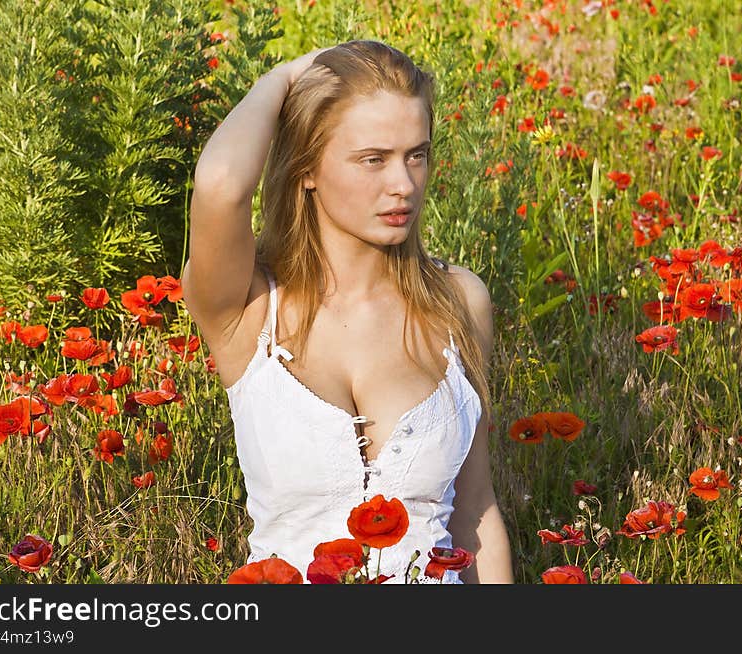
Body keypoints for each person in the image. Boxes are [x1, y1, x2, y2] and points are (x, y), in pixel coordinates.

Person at [181, 40, 513, 584]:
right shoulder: (248, 307)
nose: (403, 185)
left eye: (417, 154)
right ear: (308, 168)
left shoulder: (458, 301)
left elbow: (476, 511)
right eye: (373, 159)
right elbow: (220, 186)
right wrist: (287, 77)